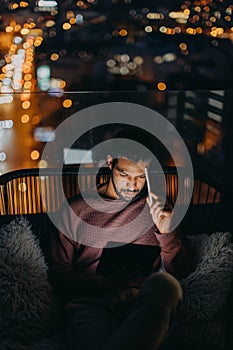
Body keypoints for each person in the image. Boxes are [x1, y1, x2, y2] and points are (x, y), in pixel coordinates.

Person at [49, 127, 193, 350]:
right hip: (92, 304)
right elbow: (58, 275)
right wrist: (104, 285)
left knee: (166, 285)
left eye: (140, 177)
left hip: (142, 302)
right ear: (110, 163)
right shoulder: (76, 211)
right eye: (124, 174)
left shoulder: (157, 207)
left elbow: (182, 272)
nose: (133, 185)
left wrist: (167, 232)